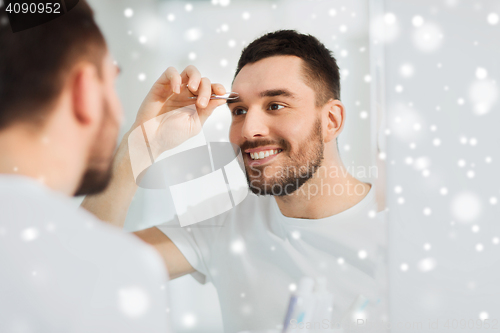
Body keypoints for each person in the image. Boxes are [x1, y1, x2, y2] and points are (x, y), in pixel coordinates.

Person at [83, 30, 387, 332]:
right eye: (239, 110)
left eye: (275, 105)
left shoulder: (401, 235)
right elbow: (85, 270)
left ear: (331, 121)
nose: (248, 129)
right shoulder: (224, 225)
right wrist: (138, 147)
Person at [0, 1, 224, 332]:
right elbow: (82, 266)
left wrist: (143, 145)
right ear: (85, 89)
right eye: (112, 80)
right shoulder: (119, 273)